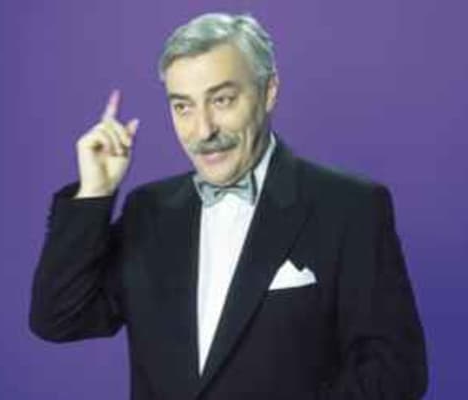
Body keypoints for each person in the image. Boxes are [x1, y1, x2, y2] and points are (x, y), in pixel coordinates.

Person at [29, 12, 428, 400]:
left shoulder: (350, 207)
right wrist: (95, 193)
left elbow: (395, 371)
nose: (203, 130)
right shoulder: (147, 210)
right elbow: (60, 319)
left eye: (221, 100)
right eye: (183, 106)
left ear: (268, 91)